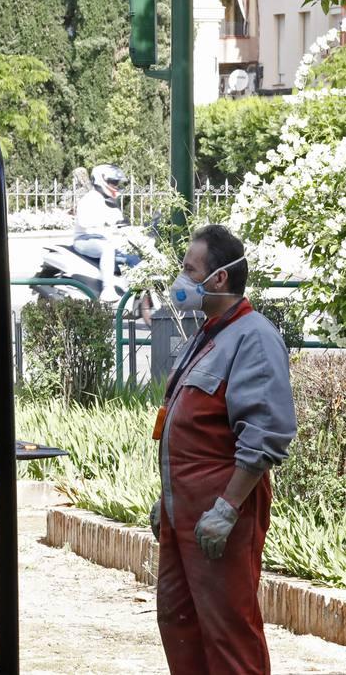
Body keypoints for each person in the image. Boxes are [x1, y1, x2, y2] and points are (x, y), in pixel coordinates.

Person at [150, 224, 296, 675]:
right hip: (184, 515)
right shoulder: (209, 334)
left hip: (220, 516)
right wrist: (168, 500)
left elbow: (265, 434)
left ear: (219, 279)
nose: (180, 279)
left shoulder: (253, 337)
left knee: (228, 632)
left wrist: (228, 508)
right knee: (179, 621)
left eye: (188, 269)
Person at [73, 163, 132, 300]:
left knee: (128, 253)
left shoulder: (109, 201)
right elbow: (84, 222)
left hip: (102, 240)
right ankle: (108, 289)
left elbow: (120, 221)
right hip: (85, 240)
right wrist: (104, 221)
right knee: (107, 248)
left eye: (116, 182)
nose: (116, 185)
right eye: (113, 182)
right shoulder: (89, 199)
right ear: (102, 180)